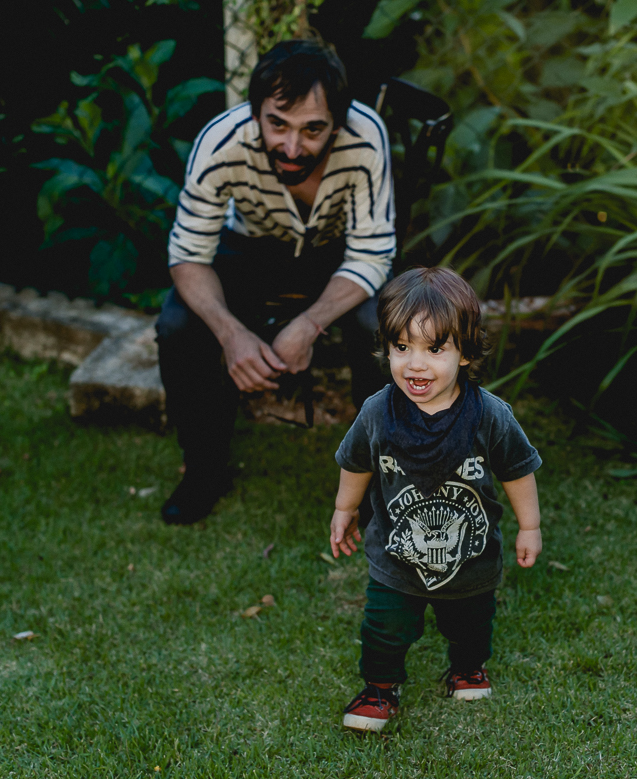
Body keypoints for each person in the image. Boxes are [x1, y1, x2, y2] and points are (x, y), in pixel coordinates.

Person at [156, 40, 394, 525]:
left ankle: (380, 475)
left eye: (312, 130)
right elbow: (187, 255)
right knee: (178, 324)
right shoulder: (220, 142)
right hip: (249, 250)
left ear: (339, 120)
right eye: (277, 124)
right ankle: (204, 467)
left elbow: (372, 254)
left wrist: (307, 326)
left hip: (338, 255)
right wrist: (230, 333)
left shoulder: (366, 137)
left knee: (381, 324)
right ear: (255, 112)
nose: (291, 146)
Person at [329, 267, 543, 733]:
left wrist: (530, 526)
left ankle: (467, 667)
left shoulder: (489, 415)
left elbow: (518, 470)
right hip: (395, 556)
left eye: (434, 348)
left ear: (465, 352)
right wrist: (345, 509)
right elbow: (356, 461)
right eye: (401, 347)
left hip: (471, 557)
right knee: (383, 628)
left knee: (471, 623)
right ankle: (380, 689)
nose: (416, 364)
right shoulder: (376, 412)